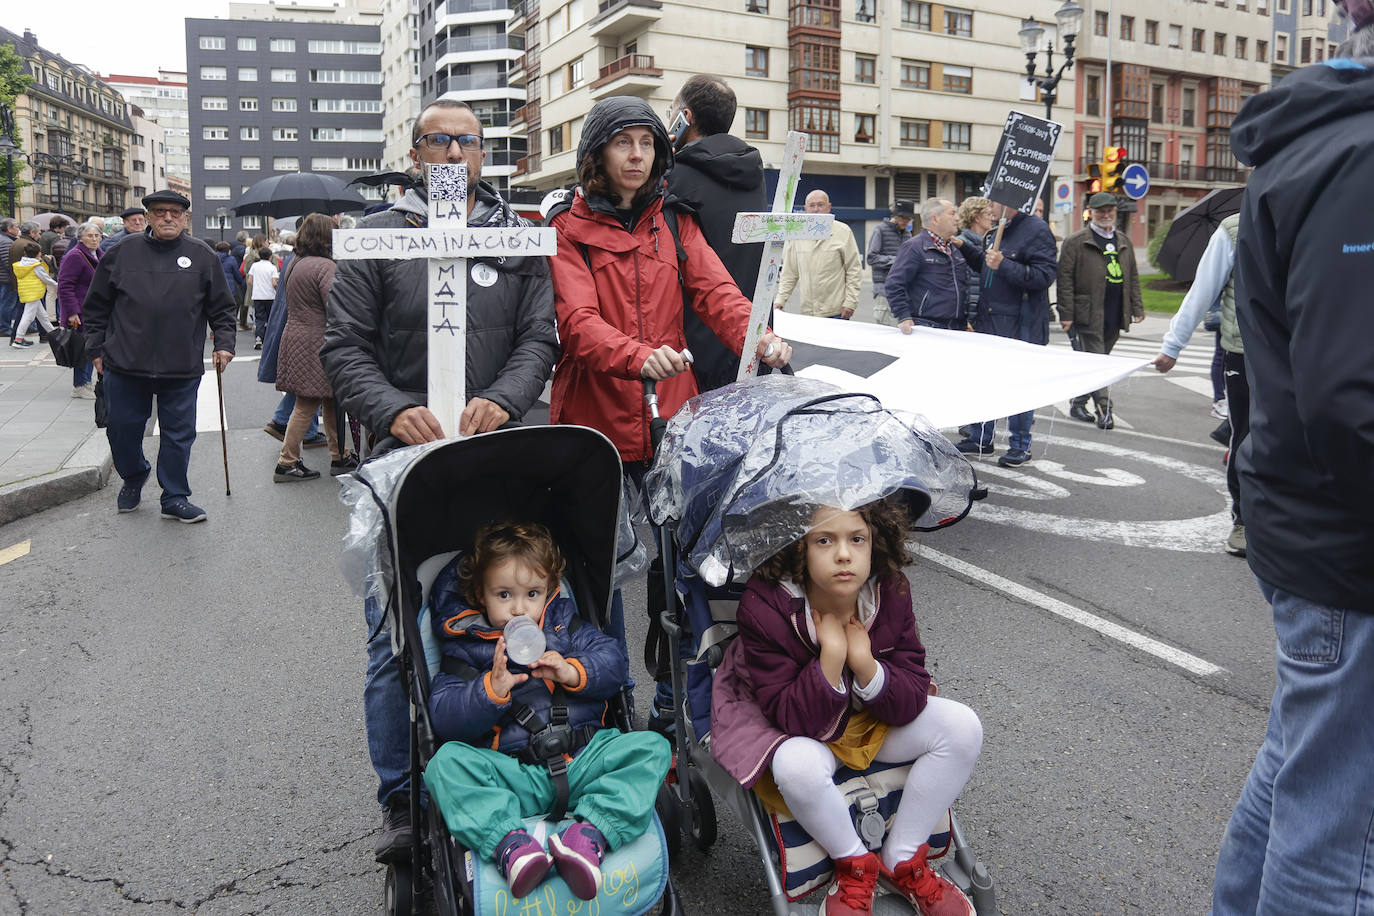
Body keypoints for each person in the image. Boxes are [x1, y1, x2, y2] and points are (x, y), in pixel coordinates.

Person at [322, 97, 560, 864]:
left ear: (484, 154)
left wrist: (505, 397)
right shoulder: (375, 239)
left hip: (498, 461)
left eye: (468, 141)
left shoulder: (521, 239)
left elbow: (538, 338)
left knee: (510, 613)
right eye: (438, 141)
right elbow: (344, 348)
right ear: (416, 152)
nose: (453, 153)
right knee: (395, 637)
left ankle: (519, 757)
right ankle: (400, 796)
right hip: (406, 464)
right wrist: (395, 410)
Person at [544, 95, 791, 731]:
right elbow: (576, 324)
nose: (636, 155)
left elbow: (716, 294)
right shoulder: (565, 230)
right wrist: (637, 355)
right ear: (596, 154)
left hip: (669, 423)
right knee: (601, 572)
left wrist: (757, 337)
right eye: (622, 142)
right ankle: (610, 699)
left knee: (676, 572)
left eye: (647, 143)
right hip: (594, 427)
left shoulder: (673, 222)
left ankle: (670, 702)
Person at [1208, 9, 1374, 913]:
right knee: (1343, 837)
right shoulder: (1361, 155)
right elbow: (1357, 396)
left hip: (1315, 525)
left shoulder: (1325, 145)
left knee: (1300, 777)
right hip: (1350, 545)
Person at [711, 498, 983, 916]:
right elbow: (789, 717)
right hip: (794, 726)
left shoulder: (888, 590)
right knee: (795, 767)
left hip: (871, 720)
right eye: (825, 540)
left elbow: (911, 687)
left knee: (963, 727)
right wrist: (832, 660)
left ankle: (903, 857)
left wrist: (869, 667)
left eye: (857, 539)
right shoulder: (765, 607)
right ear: (798, 547)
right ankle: (854, 864)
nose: (844, 554)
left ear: (875, 543)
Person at [423, 522, 672, 901]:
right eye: (504, 594)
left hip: (584, 758)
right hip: (513, 773)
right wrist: (490, 690)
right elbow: (444, 715)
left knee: (652, 747)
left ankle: (589, 835)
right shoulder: (464, 652)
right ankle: (512, 845)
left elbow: (613, 663)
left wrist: (572, 671)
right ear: (481, 596)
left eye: (532, 594)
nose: (519, 609)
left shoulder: (567, 627)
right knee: (445, 764)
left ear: (550, 591)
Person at [81, 189, 236, 523]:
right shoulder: (121, 253)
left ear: (184, 218)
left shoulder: (201, 255)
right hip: (124, 363)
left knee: (179, 435)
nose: (168, 217)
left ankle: (175, 496)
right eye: (161, 211)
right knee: (121, 430)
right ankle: (134, 475)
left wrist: (224, 343)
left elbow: (222, 308)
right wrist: (95, 348)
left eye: (176, 212)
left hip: (180, 364)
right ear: (147, 217)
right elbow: (96, 307)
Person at [1151, 214, 1248, 557]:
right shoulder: (1235, 229)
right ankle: (1244, 521)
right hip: (1245, 354)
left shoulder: (1314, 215)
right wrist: (1173, 345)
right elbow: (1203, 290)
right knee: (1247, 439)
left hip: (1298, 354)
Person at [664, 74, 768, 392]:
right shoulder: (752, 171)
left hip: (695, 340)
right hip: (753, 331)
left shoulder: (673, 176)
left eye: (671, 112)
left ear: (686, 117)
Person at [954, 201, 1059, 468]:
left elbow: (1044, 276)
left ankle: (1020, 446)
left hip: (1021, 325)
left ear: (1010, 201)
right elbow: (987, 267)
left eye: (993, 200)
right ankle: (981, 439)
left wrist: (1005, 265)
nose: (989, 205)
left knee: (1020, 387)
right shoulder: (997, 229)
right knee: (985, 383)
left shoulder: (1036, 229)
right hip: (991, 321)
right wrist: (966, 248)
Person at [271, 214, 355, 482]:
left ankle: (339, 454)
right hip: (318, 341)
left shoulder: (296, 262)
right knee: (307, 404)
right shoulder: (324, 266)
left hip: (297, 335)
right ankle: (287, 462)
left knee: (330, 400)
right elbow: (336, 306)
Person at [1056, 192, 1144, 429]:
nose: (1106, 215)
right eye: (1100, 211)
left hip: (1116, 312)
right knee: (1099, 362)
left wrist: (1137, 307)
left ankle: (1078, 401)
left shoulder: (1123, 239)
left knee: (1096, 361)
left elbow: (1132, 276)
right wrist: (1066, 314)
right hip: (1088, 312)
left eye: (1110, 211)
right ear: (1091, 212)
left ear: (1115, 211)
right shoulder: (1076, 241)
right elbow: (1064, 279)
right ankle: (1105, 409)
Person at [886, 198, 978, 333]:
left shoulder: (955, 249)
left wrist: (964, 320)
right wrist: (904, 316)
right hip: (927, 328)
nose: (957, 218)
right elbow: (894, 284)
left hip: (957, 328)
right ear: (935, 219)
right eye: (952, 214)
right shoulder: (914, 247)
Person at [774, 189, 862, 320]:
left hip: (837, 311)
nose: (816, 209)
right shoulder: (798, 234)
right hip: (809, 312)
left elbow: (853, 270)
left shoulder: (843, 232)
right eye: (812, 205)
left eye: (820, 205)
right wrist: (780, 300)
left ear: (829, 207)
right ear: (805, 209)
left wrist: (851, 302)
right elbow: (789, 273)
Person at [56, 220, 104, 398]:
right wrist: (72, 312)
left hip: (95, 309)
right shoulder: (75, 255)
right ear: (80, 238)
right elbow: (65, 286)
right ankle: (79, 385)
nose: (94, 239)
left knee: (91, 346)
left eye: (97, 235)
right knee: (81, 347)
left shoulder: (99, 253)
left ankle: (86, 382)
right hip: (80, 310)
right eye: (89, 236)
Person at [866, 200, 914, 327]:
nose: (906, 222)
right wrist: (897, 261)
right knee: (887, 329)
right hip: (883, 290)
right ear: (896, 216)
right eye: (904, 218)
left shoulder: (907, 234)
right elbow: (871, 258)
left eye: (909, 219)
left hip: (903, 291)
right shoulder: (880, 230)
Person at [11, 239, 58, 348]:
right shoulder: (36, 266)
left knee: (43, 316)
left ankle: (54, 335)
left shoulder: (22, 265)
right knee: (28, 316)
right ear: (38, 253)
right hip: (34, 293)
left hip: (27, 293)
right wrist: (58, 285)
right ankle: (18, 338)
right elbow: (46, 279)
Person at [246, 243, 278, 349]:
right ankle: (269, 339)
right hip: (270, 296)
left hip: (258, 295)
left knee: (259, 318)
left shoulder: (255, 266)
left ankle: (259, 338)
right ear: (270, 257)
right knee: (270, 318)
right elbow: (274, 283)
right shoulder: (272, 267)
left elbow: (250, 281)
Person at [238, 234, 268, 330]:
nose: (268, 243)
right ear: (262, 242)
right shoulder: (252, 256)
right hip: (256, 285)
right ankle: (258, 329)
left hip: (259, 285)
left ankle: (259, 328)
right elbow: (247, 271)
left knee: (258, 308)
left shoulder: (251, 255)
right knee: (256, 307)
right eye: (266, 241)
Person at [0, 218, 23, 346]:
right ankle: (4, 327)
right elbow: (8, 262)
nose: (18, 228)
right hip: (7, 279)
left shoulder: (6, 240)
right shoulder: (6, 242)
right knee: (7, 303)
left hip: (5, 278)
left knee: (7, 303)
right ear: (9, 229)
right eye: (16, 226)